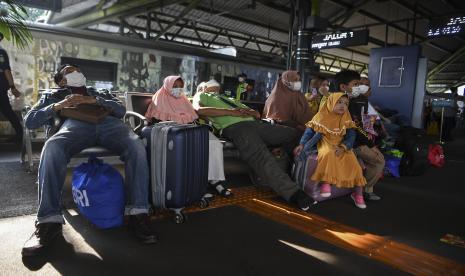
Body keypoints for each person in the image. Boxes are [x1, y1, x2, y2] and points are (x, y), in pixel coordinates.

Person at [22, 64, 157, 257]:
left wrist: (95, 99)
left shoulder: (100, 91)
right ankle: (48, 221)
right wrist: (59, 105)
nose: (76, 73)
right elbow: (30, 120)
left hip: (109, 123)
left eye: (78, 70)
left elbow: (120, 111)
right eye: (69, 72)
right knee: (52, 148)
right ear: (61, 81)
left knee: (135, 145)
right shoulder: (53, 94)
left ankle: (138, 213)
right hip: (74, 124)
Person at [192, 81, 316, 211]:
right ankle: (294, 193)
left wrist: (250, 112)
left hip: (257, 124)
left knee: (295, 135)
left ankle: (306, 173)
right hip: (235, 127)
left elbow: (257, 115)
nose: (216, 90)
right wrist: (231, 112)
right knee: (260, 156)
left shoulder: (230, 99)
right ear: (204, 88)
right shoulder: (201, 95)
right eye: (213, 88)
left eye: (217, 89)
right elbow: (198, 110)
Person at [145, 76, 232, 197]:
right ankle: (197, 186)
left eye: (180, 87)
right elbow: (157, 122)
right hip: (172, 134)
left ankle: (214, 179)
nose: (178, 89)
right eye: (175, 86)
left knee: (214, 143)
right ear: (167, 86)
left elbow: (191, 119)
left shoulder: (183, 100)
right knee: (192, 149)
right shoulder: (160, 98)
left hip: (188, 130)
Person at [294, 93, 367, 208]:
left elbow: (351, 135)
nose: (343, 106)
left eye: (346, 104)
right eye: (339, 102)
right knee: (328, 153)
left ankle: (358, 193)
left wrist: (344, 147)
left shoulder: (346, 117)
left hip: (341, 145)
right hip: (325, 142)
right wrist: (302, 144)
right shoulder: (320, 116)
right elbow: (309, 133)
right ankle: (326, 182)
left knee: (353, 161)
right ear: (330, 102)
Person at [335, 70, 384, 201]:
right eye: (358, 84)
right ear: (344, 86)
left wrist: (371, 137)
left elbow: (365, 121)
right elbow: (355, 126)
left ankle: (363, 190)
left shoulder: (363, 100)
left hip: (359, 139)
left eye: (366, 85)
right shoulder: (340, 101)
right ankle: (360, 190)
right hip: (348, 142)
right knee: (379, 161)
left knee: (377, 160)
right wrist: (370, 144)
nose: (362, 87)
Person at [0, 32, 23, 142]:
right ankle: (20, 134)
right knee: (6, 110)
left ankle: (20, 134)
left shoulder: (1, 53)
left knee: (7, 110)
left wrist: (13, 87)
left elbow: (6, 70)